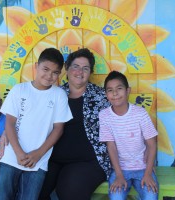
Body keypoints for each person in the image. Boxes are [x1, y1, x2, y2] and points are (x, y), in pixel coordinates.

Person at [0, 47, 72, 200]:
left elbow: (58, 129)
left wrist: (38, 154)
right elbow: (9, 123)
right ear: (36, 66)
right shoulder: (19, 90)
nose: (49, 75)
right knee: (3, 197)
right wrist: (18, 152)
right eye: (46, 69)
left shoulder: (59, 95)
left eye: (55, 72)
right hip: (12, 156)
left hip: (38, 162)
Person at [39, 48, 111, 200]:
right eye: (76, 66)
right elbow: (34, 119)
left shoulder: (101, 96)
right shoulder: (54, 94)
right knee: (34, 187)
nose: (80, 71)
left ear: (90, 72)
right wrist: (6, 132)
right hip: (53, 158)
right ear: (67, 69)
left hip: (88, 161)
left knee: (69, 192)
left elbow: (119, 122)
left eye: (85, 68)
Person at [99, 70, 158, 200]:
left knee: (151, 196)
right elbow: (111, 146)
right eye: (110, 90)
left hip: (143, 168)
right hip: (120, 169)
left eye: (119, 88)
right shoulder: (104, 116)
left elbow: (152, 144)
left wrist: (148, 173)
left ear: (128, 91)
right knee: (116, 197)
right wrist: (119, 175)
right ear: (106, 94)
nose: (115, 93)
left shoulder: (140, 113)